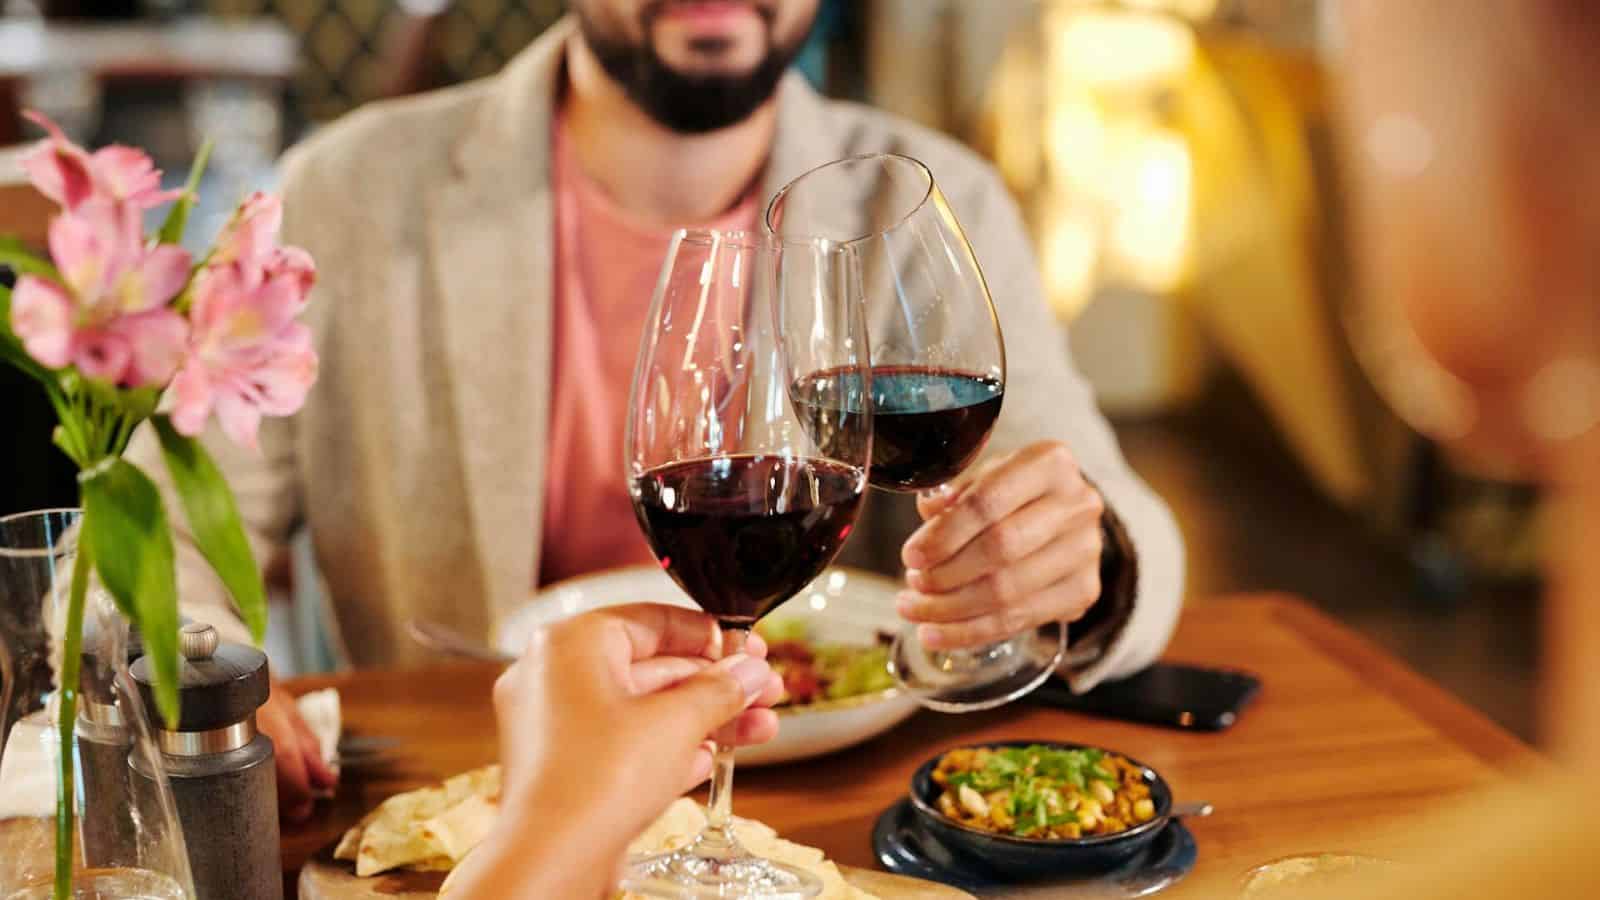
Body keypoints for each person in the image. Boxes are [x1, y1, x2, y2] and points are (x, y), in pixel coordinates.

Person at [126, 0, 1184, 821]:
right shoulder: (343, 194)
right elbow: (152, 527)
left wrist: (1081, 563)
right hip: (464, 815)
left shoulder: (930, 199)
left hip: (831, 828)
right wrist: (205, 677)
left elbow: (1108, 509)